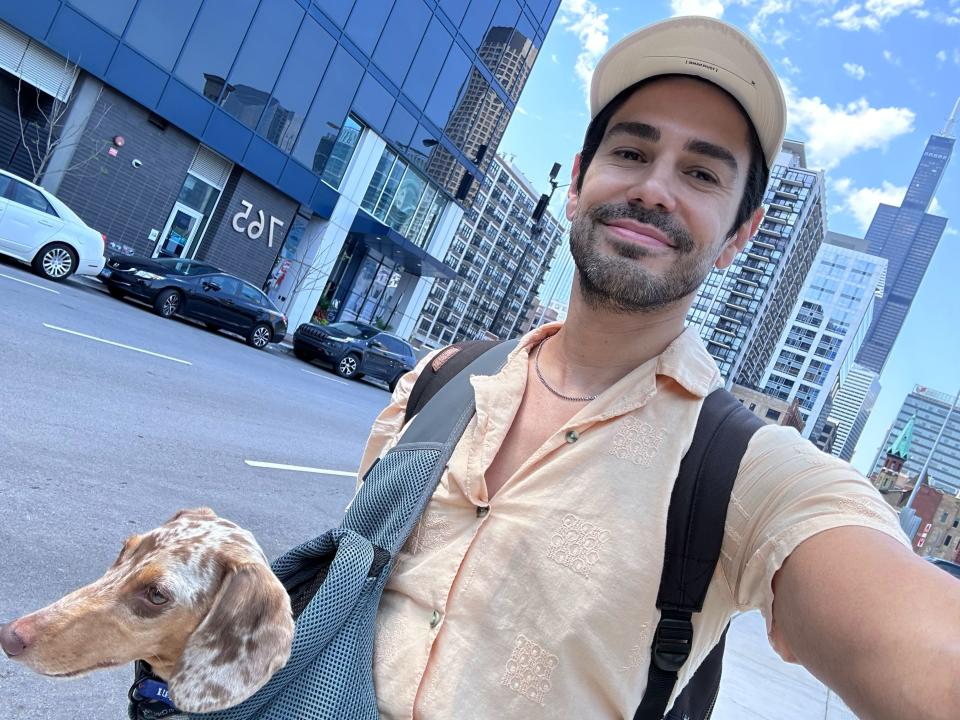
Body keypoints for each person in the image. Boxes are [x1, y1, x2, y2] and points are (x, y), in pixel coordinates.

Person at [356, 16, 960, 720]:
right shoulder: (440, 377)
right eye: (633, 151)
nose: (655, 189)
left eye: (701, 172)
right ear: (579, 181)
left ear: (740, 235)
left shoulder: (748, 472)